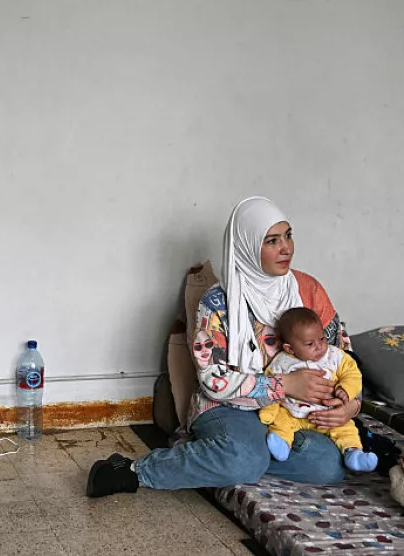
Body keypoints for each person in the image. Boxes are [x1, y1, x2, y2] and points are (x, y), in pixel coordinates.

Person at [85, 196, 361, 497]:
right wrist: (285, 385)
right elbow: (213, 381)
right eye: (272, 240)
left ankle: (226, 455)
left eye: (288, 236)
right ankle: (136, 471)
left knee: (328, 466)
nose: (286, 248)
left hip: (291, 414)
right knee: (245, 459)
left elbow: (343, 357)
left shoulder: (309, 289)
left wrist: (349, 406)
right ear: (246, 245)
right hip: (228, 406)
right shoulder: (218, 302)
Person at [258, 307, 377, 472]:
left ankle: (353, 454)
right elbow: (272, 388)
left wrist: (347, 390)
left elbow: (353, 374)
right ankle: (282, 444)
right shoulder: (282, 362)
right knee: (281, 422)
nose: (320, 346)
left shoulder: (335, 356)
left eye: (322, 338)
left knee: (347, 429)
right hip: (294, 413)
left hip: (330, 414)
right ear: (290, 348)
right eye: (309, 344)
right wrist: (268, 412)